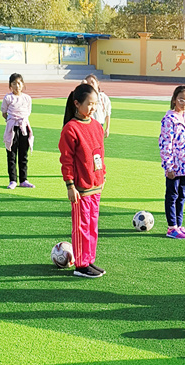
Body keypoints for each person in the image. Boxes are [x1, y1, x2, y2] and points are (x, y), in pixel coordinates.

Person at [59, 83, 106, 278]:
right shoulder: (71, 129)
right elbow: (66, 160)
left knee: (92, 226)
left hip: (96, 185)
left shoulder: (96, 125)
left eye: (96, 104)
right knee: (81, 227)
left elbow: (100, 153)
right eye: (90, 104)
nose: (93, 108)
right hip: (80, 188)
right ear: (77, 104)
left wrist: (103, 175)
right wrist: (70, 185)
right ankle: (81, 265)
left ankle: (89, 259)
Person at [159, 85, 185, 239]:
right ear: (174, 100)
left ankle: (179, 225)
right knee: (172, 195)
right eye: (181, 99)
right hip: (174, 167)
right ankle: (171, 227)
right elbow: (166, 143)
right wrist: (168, 166)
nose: (184, 103)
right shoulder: (169, 119)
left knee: (182, 196)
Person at [1, 73, 35, 190]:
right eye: (14, 83)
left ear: (23, 84)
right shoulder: (8, 98)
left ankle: (24, 180)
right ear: (10, 85)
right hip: (12, 128)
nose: (17, 86)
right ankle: (12, 180)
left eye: (19, 83)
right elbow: (4, 112)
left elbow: (28, 112)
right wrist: (11, 121)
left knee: (23, 155)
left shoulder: (27, 98)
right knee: (11, 154)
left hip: (23, 127)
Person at [84, 74, 111, 138]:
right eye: (88, 83)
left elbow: (108, 113)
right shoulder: (84, 98)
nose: (91, 84)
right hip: (88, 125)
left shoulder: (103, 97)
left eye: (92, 82)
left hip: (99, 125)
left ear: (97, 83)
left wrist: (107, 128)